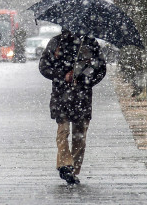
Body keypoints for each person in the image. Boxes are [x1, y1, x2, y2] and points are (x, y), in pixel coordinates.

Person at [39, 28, 106, 186]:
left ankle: (73, 169)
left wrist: (84, 79)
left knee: (79, 135)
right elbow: (44, 67)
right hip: (61, 95)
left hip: (82, 98)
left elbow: (101, 69)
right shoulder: (56, 43)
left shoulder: (90, 43)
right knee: (63, 131)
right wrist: (63, 75)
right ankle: (65, 165)